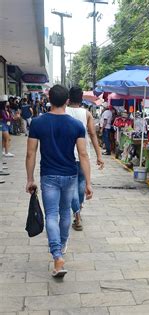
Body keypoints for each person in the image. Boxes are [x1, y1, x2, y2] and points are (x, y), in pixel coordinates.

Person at [26, 85, 93, 278]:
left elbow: (31, 153)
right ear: (66, 101)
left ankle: (57, 255)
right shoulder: (76, 125)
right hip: (70, 174)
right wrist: (88, 182)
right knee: (65, 213)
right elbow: (83, 154)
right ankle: (61, 248)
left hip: (48, 176)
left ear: (49, 99)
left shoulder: (38, 123)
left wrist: (30, 179)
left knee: (52, 215)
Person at [66, 86, 104, 231]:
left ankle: (77, 214)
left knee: (72, 187)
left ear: (69, 98)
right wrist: (99, 155)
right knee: (81, 184)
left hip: (68, 155)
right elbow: (93, 135)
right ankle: (78, 212)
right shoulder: (87, 113)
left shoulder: (64, 111)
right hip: (83, 155)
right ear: (81, 98)